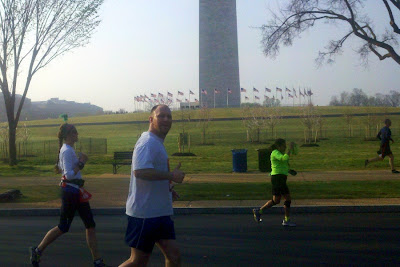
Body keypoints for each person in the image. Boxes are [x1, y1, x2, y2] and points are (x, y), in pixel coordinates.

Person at [30, 123, 107, 267]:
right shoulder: (66, 151)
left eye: (76, 132)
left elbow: (60, 168)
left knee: (90, 225)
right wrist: (82, 162)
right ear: (67, 135)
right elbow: (68, 175)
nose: (76, 134)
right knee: (63, 227)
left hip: (77, 191)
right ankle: (38, 250)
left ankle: (97, 261)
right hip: (70, 193)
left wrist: (76, 164)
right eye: (73, 132)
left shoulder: (68, 150)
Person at [119, 104, 185, 267]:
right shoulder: (147, 142)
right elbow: (140, 172)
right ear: (151, 119)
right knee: (138, 261)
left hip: (159, 212)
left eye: (169, 117)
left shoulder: (156, 142)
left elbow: (151, 172)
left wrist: (167, 189)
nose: (166, 119)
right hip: (145, 214)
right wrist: (171, 176)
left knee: (174, 256)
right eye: (161, 116)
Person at [252, 138, 296, 227]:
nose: (285, 147)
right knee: (288, 199)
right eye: (284, 146)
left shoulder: (279, 153)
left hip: (280, 178)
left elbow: (282, 164)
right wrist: (289, 150)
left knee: (276, 200)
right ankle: (286, 220)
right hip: (278, 178)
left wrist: (289, 170)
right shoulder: (275, 153)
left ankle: (259, 211)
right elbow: (283, 159)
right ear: (279, 146)